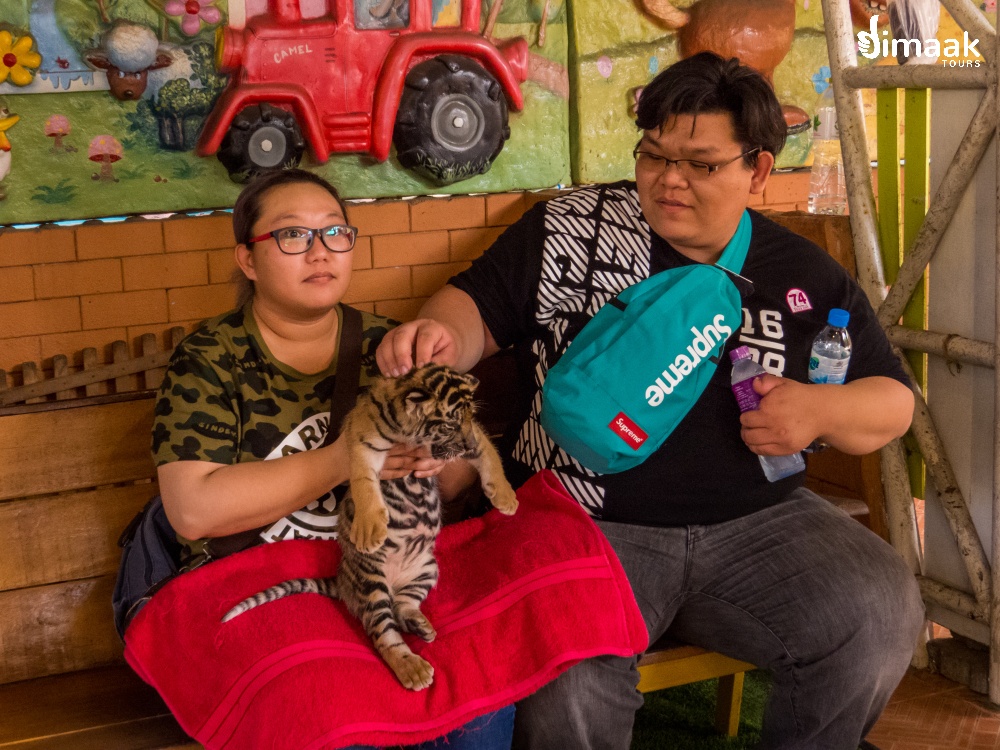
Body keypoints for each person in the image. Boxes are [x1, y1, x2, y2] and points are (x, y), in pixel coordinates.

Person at [376, 52, 925, 750]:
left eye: (701, 164)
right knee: (570, 680)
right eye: (654, 155)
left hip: (758, 525)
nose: (669, 179)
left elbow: (893, 401)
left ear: (757, 170)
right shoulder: (572, 230)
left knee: (877, 610)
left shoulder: (801, 272)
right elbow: (473, 308)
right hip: (583, 521)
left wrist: (820, 413)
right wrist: (437, 336)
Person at [151, 168, 512, 750]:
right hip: (257, 581)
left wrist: (434, 455)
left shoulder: (388, 348)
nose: (320, 251)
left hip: (388, 572)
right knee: (333, 706)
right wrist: (350, 459)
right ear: (248, 259)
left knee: (478, 698)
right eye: (292, 235)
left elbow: (455, 483)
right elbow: (193, 512)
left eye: (335, 232)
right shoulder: (210, 359)